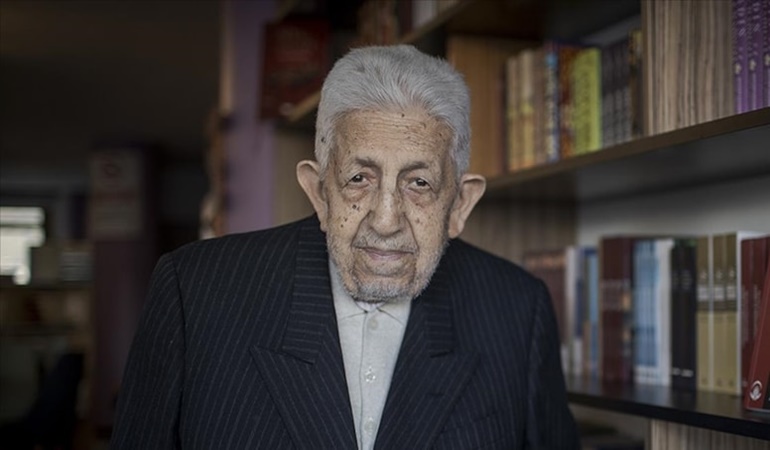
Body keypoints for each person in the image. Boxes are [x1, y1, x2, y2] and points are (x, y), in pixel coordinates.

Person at [111, 45, 579, 449]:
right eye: (359, 178)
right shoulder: (194, 292)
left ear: (460, 204)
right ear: (319, 192)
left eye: (419, 183)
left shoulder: (518, 310)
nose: (386, 220)